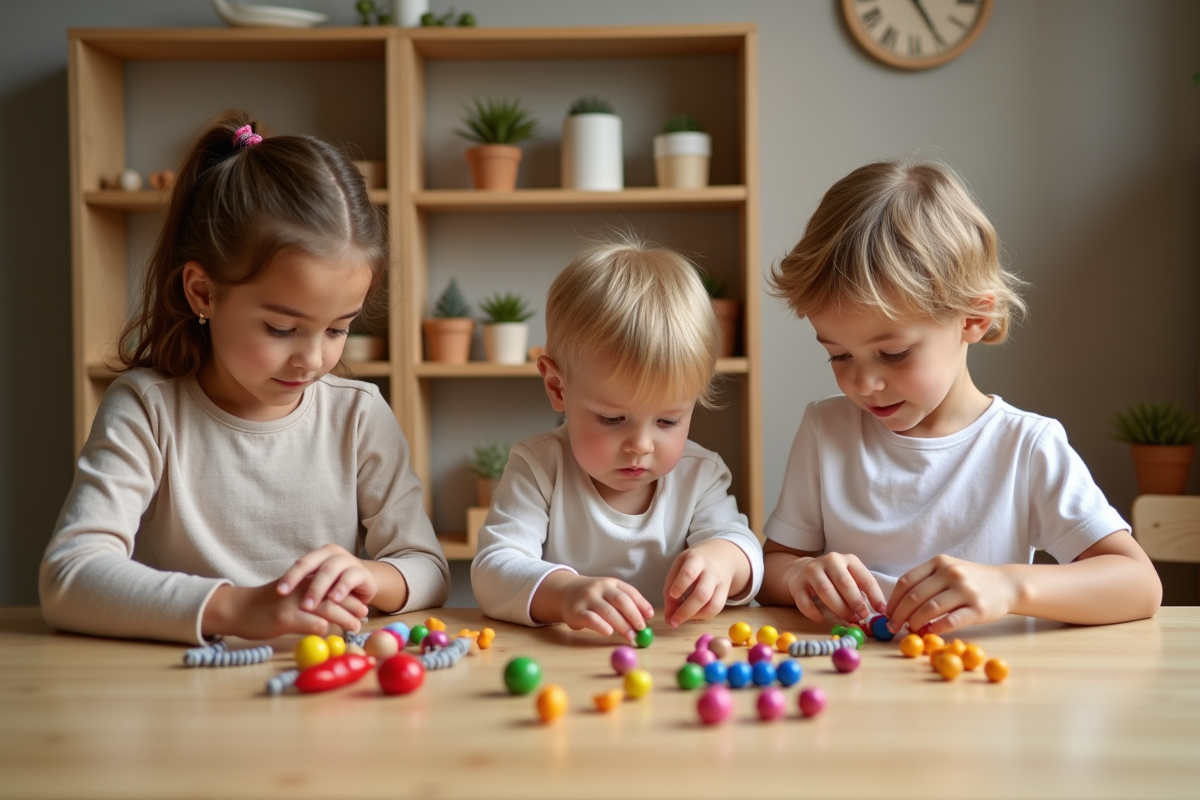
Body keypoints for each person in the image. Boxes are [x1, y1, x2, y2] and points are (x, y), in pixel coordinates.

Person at [40, 113, 449, 645]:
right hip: (181, 693)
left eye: (338, 329)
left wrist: (370, 575)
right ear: (203, 293)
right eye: (282, 328)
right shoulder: (147, 409)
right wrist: (238, 608)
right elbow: (69, 577)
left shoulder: (359, 414)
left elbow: (428, 569)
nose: (312, 359)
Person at [757, 158, 1161, 636]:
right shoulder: (826, 428)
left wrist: (1010, 588)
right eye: (839, 356)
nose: (863, 383)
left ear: (972, 318)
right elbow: (774, 570)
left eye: (893, 353)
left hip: (975, 691)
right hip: (856, 692)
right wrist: (803, 575)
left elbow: (1139, 584)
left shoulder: (1026, 446)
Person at [471, 234, 763, 639]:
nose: (641, 445)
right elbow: (492, 570)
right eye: (612, 418)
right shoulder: (540, 467)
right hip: (565, 668)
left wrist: (723, 561)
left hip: (671, 669)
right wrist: (566, 593)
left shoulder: (700, 474)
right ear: (558, 387)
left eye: (668, 421)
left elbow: (742, 546)